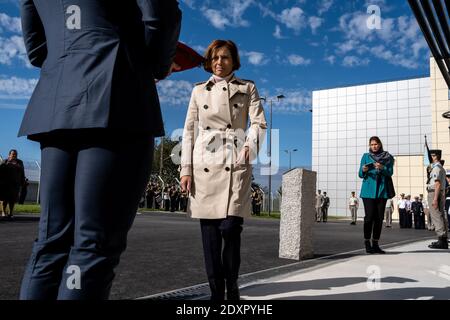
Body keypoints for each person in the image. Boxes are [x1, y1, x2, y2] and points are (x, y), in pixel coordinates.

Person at [18, 0, 182, 300]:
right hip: (116, 97)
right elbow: (160, 15)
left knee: (50, 243)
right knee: (93, 246)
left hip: (56, 103)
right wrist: (154, 65)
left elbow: (36, 48)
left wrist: (71, 61)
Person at [180, 39, 267, 301]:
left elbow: (259, 123)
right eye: (215, 58)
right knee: (210, 237)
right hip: (204, 162)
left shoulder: (247, 87)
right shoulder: (198, 91)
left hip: (235, 160)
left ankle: (233, 285)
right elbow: (189, 130)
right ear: (209, 61)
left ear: (234, 61)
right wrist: (185, 169)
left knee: (230, 229)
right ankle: (217, 294)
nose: (219, 62)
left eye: (225, 57)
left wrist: (250, 145)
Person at [358, 136, 394, 254]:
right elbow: (360, 174)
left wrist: (382, 167)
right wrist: (363, 170)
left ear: (380, 144)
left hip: (382, 191)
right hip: (368, 191)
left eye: (376, 144)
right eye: (372, 144)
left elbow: (390, 172)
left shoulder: (388, 157)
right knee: (369, 218)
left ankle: (376, 243)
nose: (374, 146)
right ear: (369, 145)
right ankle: (367, 242)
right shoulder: (365, 156)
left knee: (379, 218)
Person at [426, 150, 448, 249]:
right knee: (440, 215)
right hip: (439, 193)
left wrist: (435, 199)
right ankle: (443, 239)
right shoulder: (439, 168)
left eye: (432, 156)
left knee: (436, 215)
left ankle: (441, 239)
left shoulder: (436, 168)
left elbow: (437, 184)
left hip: (434, 192)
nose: (430, 157)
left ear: (436, 156)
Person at [0, 150, 25, 218]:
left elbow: (22, 172)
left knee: (12, 199)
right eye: (13, 154)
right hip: (5, 184)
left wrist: (23, 181)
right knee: (4, 198)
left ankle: (10, 213)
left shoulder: (20, 162)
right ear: (9, 155)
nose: (14, 155)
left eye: (15, 154)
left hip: (15, 184)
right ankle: (3, 212)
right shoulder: (5, 161)